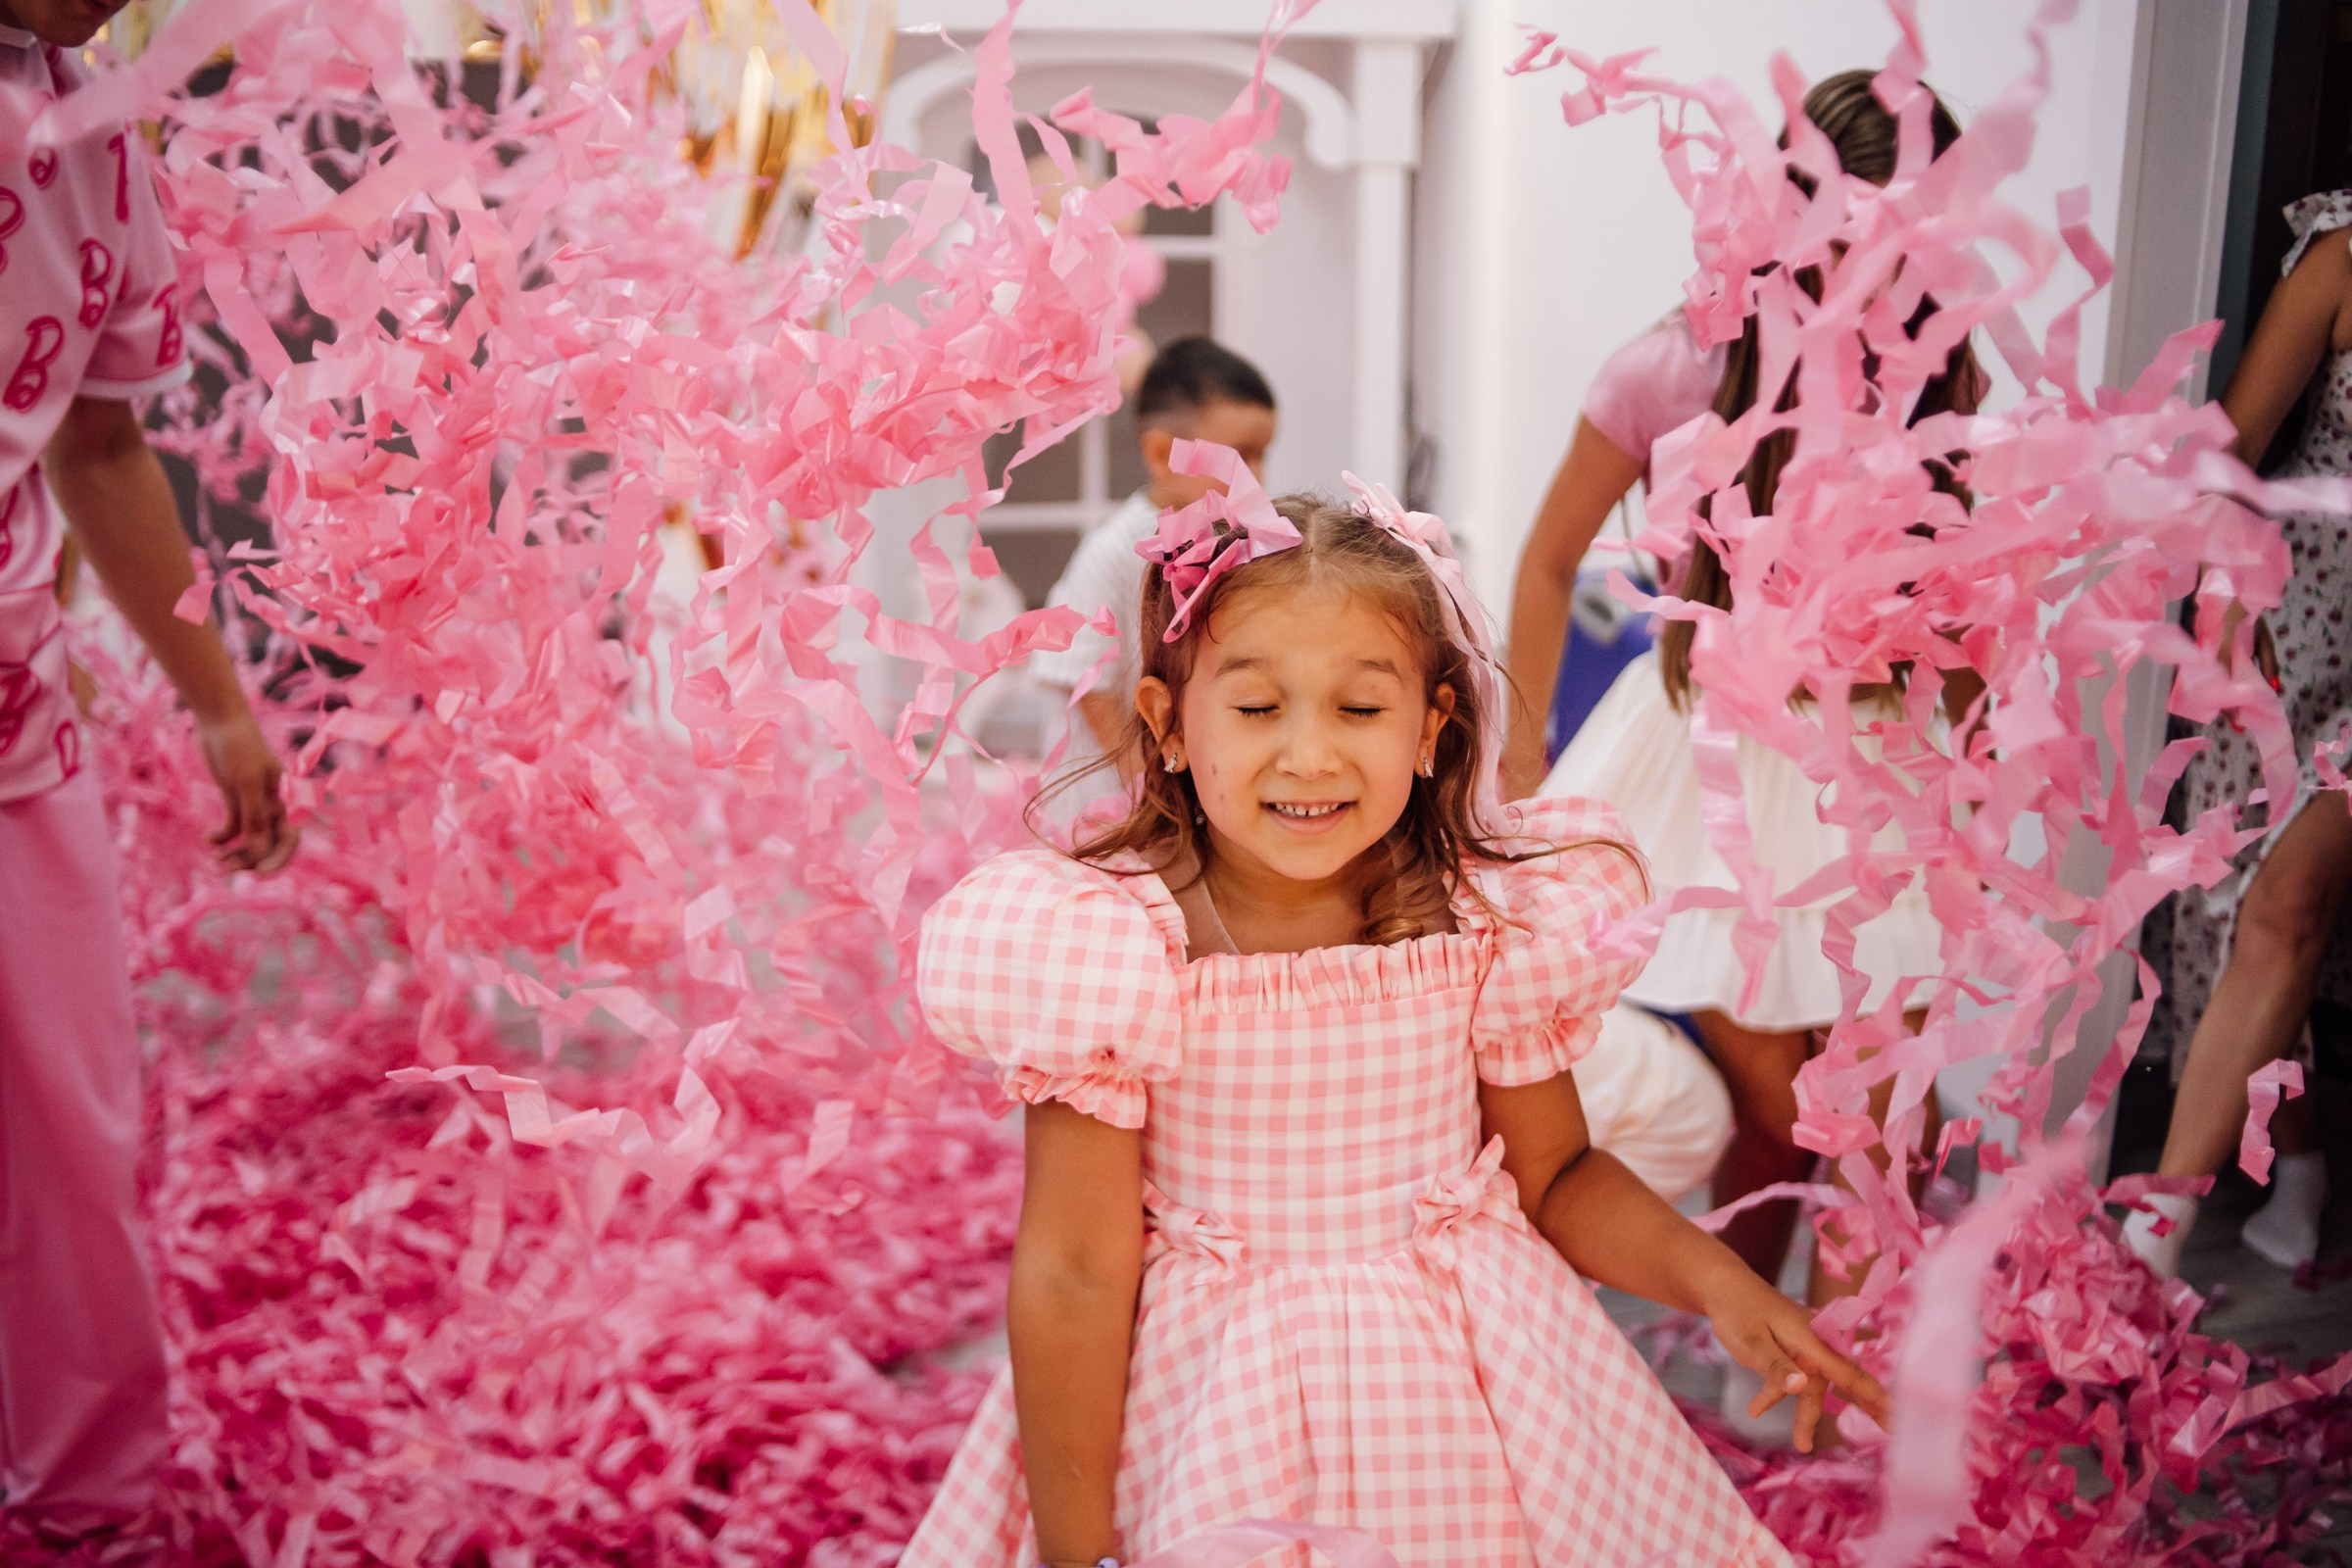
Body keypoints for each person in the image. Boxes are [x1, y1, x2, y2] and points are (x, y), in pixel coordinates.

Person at [902, 474, 1885, 1568]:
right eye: (1259, 706)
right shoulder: (1115, 952)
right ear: (1168, 724)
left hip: (1468, 1392)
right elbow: (1075, 1270)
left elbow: (1555, 1178)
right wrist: (1075, 1553)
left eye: (1361, 708)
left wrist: (1723, 1284)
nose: (1311, 754)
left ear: (1430, 728)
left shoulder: (1483, 919)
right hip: (1210, 1405)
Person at [1535, 74, 1972, 1352]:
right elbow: (1547, 556)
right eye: (1851, 225)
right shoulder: (1681, 362)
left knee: (1894, 1122)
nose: (1875, 262)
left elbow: (1947, 593)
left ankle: (1827, 1418)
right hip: (1703, 771)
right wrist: (1518, 758)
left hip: (1869, 761)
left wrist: (1973, 731)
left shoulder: (1938, 367)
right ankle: (1762, 1361)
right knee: (1790, 1105)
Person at [2, 0, 297, 1537]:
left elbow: (102, 449)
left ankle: (90, 1513)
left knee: (73, 1140)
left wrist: (221, 707)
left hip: (14, 730)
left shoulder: (97, 137)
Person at [2128, 190, 2352, 1280]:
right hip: (2296, 626)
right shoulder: (2344, 253)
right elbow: (2235, 446)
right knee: (2231, 912)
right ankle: (2299, 1159)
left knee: (2291, 906)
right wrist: (2224, 599)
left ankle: (2151, 1234)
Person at [1029, 337, 1277, 766]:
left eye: (1261, 456)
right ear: (1163, 454)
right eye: (1238, 459)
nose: (1255, 477)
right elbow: (1083, 681)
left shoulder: (1232, 538)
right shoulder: (1115, 550)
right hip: (1114, 799)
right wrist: (1140, 782)